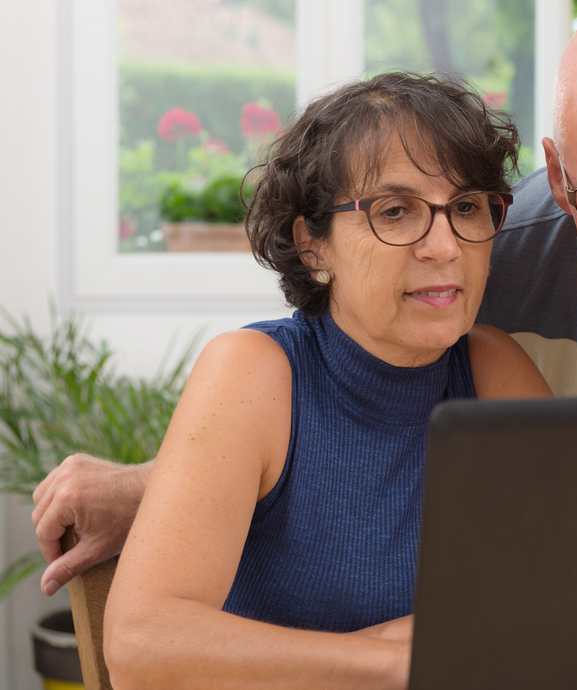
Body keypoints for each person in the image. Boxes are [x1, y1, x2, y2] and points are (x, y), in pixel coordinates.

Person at [32, 0, 577, 596]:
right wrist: (178, 487)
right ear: (559, 181)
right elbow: (347, 424)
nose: (441, 245)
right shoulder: (480, 263)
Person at [99, 72, 550, 688]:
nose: (445, 246)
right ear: (313, 246)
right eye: (395, 211)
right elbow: (140, 646)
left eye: (467, 207)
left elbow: (566, 595)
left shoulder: (493, 370)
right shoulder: (254, 373)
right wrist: (395, 661)